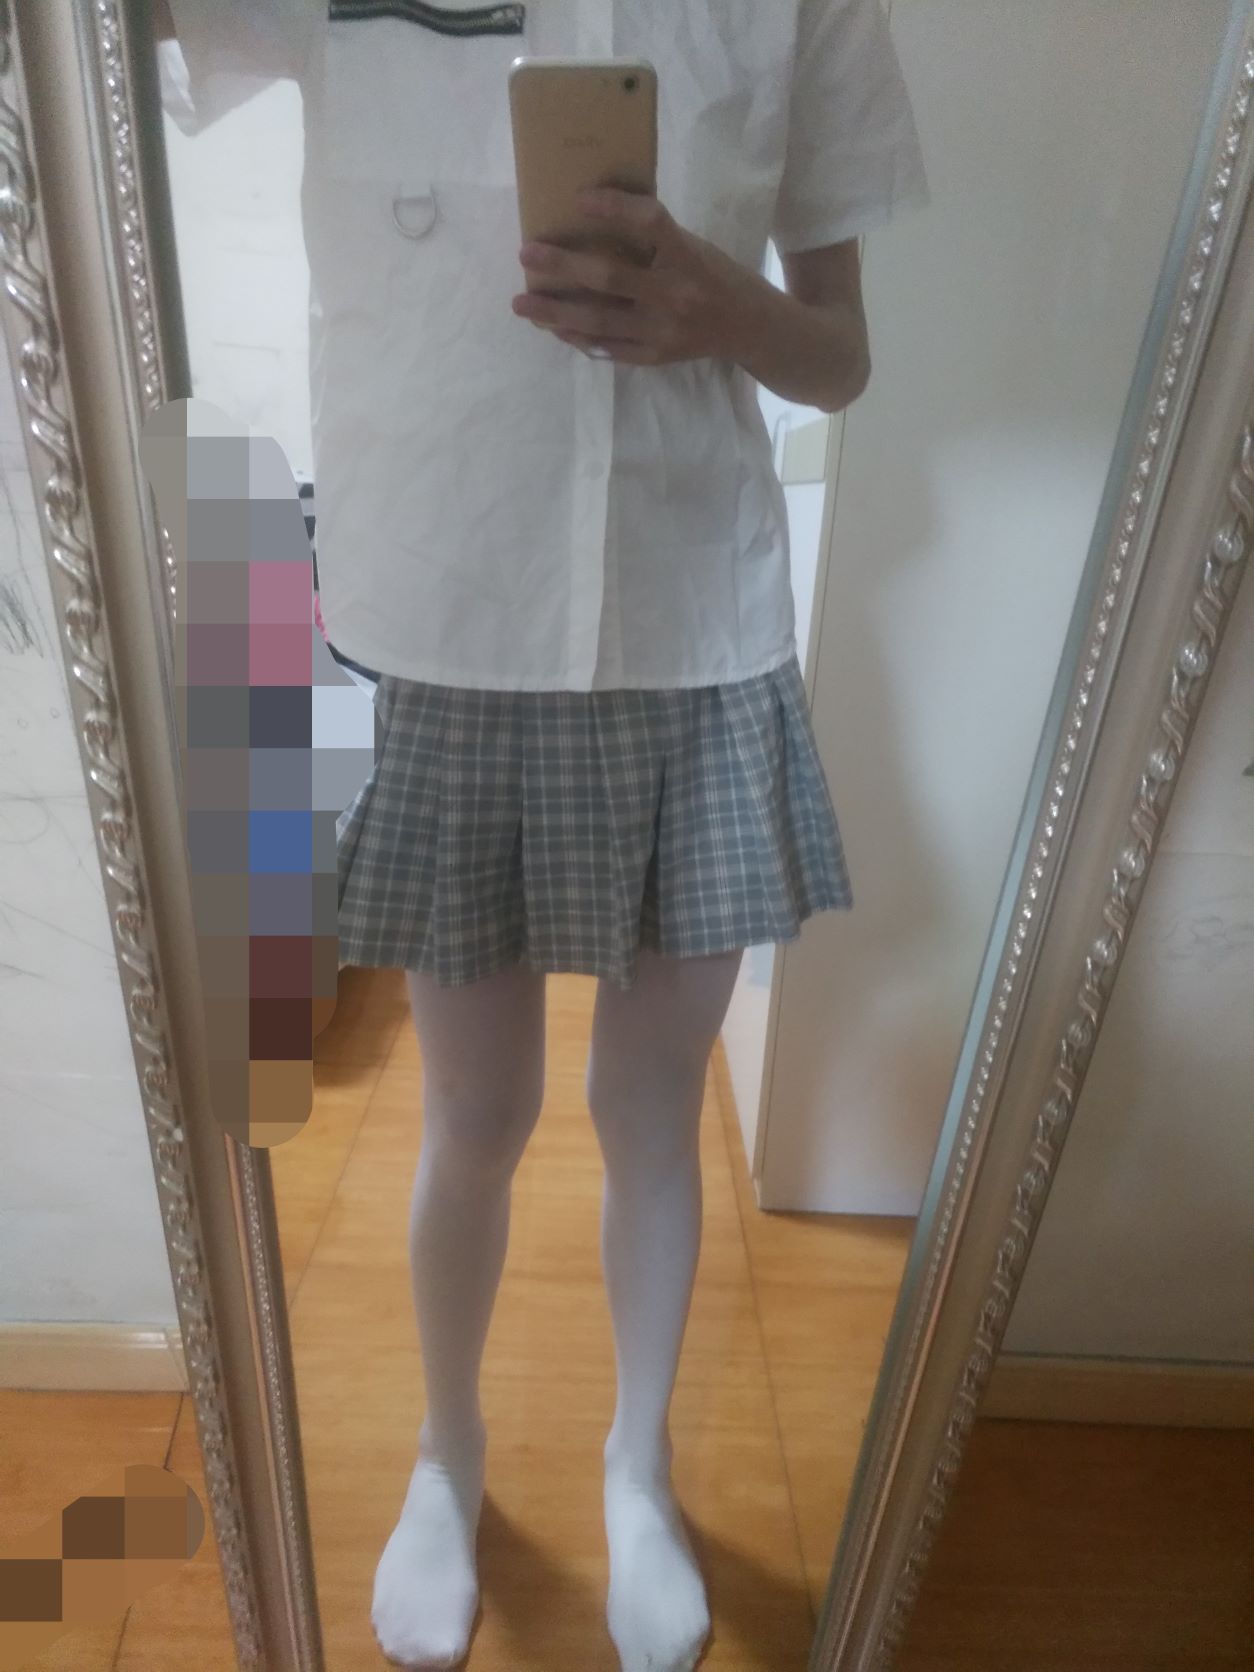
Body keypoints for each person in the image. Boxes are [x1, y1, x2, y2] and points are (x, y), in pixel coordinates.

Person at [155, 2, 929, 1666]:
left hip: (691, 627)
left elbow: (841, 356)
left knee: (650, 1120)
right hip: (456, 617)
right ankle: (447, 1460)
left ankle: (636, 1475)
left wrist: (725, 306)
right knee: (471, 1117)